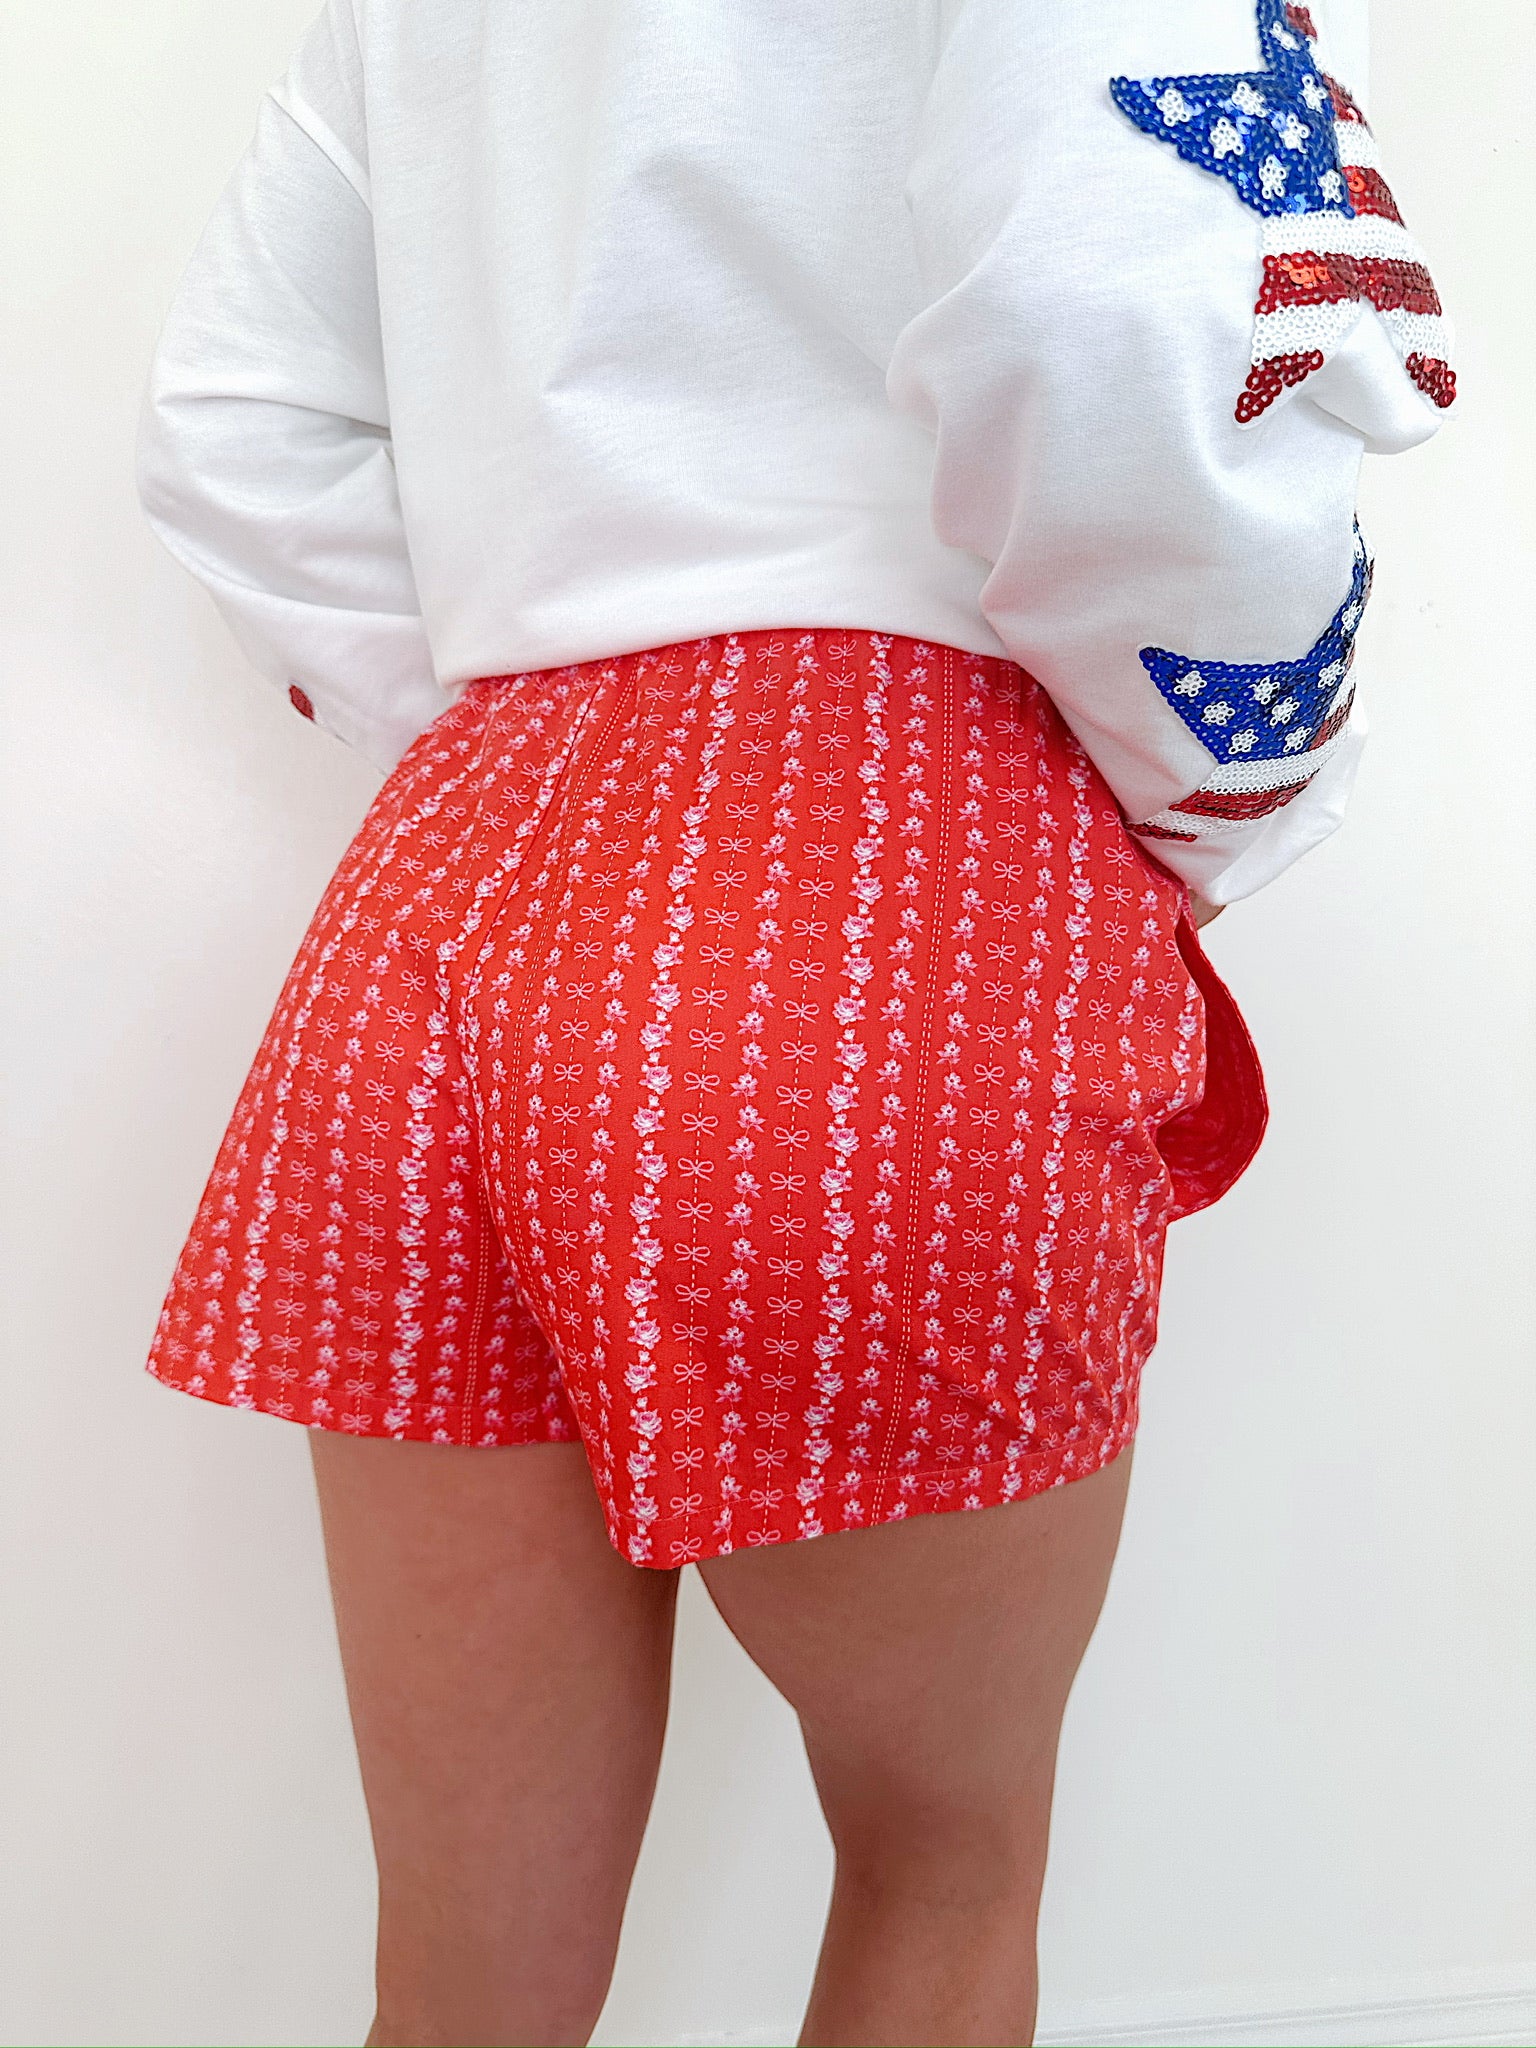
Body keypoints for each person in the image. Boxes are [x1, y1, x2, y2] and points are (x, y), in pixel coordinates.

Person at [133, 1, 1453, 2041]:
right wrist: (1216, 790)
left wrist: (555, 704)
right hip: (888, 875)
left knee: (463, 1986)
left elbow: (235, 422)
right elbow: (1113, 284)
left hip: (448, 890)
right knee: (947, 1866)